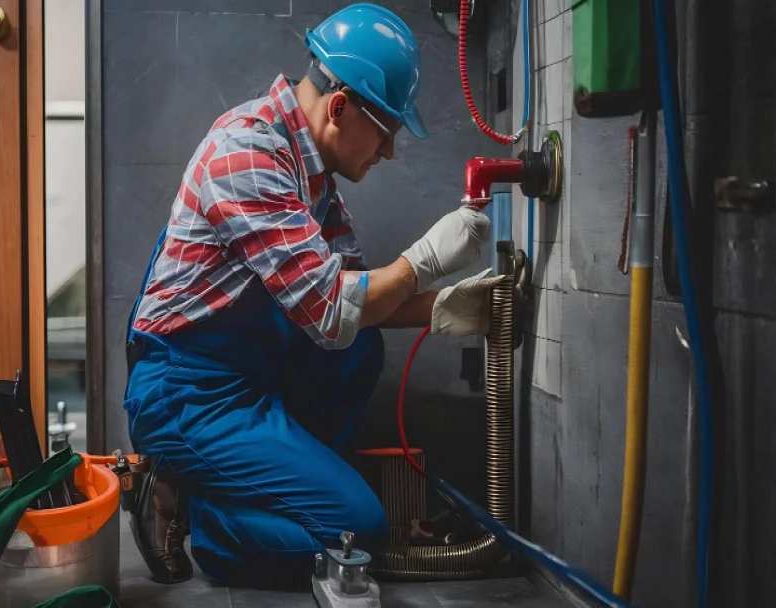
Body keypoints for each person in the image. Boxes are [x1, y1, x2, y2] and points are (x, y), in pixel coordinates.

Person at [118, 3, 504, 589]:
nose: (390, 151)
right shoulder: (247, 157)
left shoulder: (312, 178)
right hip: (187, 393)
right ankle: (196, 510)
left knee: (358, 351)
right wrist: (426, 259)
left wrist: (447, 304)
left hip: (248, 381)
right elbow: (331, 312)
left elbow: (354, 302)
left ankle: (282, 492)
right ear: (340, 108)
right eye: (388, 131)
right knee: (355, 532)